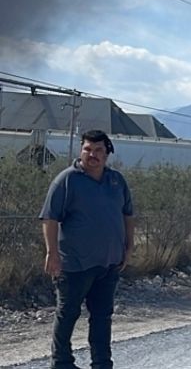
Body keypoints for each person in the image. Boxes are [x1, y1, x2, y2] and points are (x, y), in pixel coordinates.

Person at [39, 130, 134, 369]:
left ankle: (102, 363)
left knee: (102, 318)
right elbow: (50, 218)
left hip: (109, 263)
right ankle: (61, 363)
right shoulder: (67, 180)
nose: (92, 155)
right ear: (81, 150)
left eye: (98, 150)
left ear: (107, 153)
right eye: (87, 149)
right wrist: (52, 253)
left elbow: (127, 213)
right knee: (67, 314)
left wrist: (129, 246)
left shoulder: (116, 181)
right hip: (74, 264)